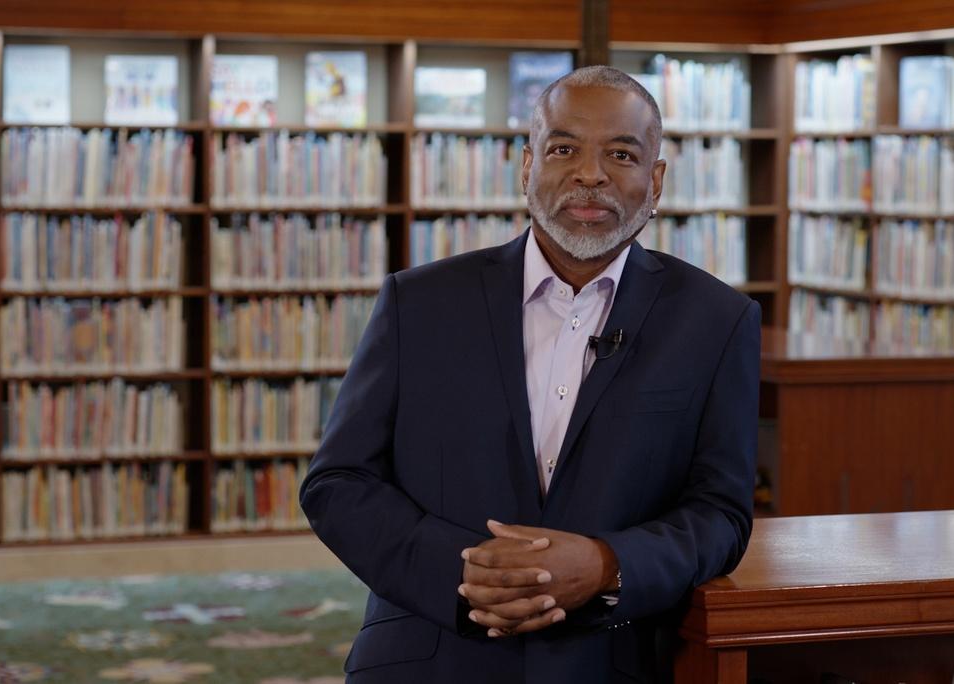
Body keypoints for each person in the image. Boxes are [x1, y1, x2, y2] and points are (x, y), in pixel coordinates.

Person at [300, 65, 760, 684]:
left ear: (655, 182)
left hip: (609, 658)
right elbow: (339, 482)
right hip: (429, 651)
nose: (590, 174)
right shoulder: (419, 303)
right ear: (526, 167)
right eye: (563, 148)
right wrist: (463, 573)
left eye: (620, 154)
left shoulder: (718, 321)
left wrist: (605, 564)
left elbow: (721, 514)